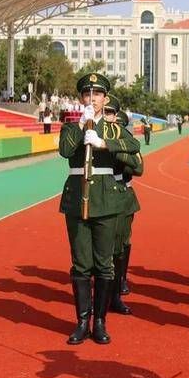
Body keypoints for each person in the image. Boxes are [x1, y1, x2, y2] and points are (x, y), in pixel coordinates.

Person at [58, 73, 141, 345]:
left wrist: (104, 142)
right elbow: (65, 150)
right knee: (81, 264)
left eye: (96, 95)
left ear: (105, 98)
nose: (91, 99)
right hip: (77, 199)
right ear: (80, 98)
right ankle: (83, 321)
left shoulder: (114, 128)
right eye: (86, 94)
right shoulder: (71, 127)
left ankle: (101, 322)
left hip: (107, 201)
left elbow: (133, 146)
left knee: (105, 264)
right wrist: (82, 126)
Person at [105, 102, 142, 313]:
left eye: (112, 113)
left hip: (122, 194)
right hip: (99, 193)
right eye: (107, 113)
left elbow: (139, 167)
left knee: (121, 245)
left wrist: (113, 147)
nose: (110, 117)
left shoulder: (123, 139)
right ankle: (104, 291)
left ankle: (118, 286)